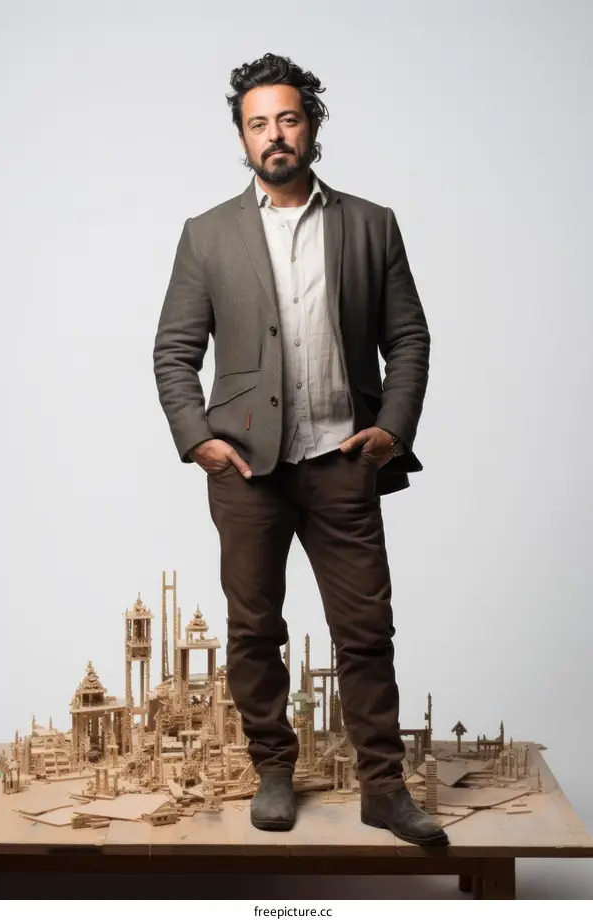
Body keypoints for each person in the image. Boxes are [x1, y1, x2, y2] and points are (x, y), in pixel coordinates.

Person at [153, 52, 448, 847]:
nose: (274, 136)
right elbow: (173, 352)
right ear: (242, 137)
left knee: (366, 631)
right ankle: (273, 769)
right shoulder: (207, 234)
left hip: (343, 460)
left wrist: (393, 427)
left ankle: (384, 789)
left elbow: (409, 336)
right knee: (253, 628)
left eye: (287, 118)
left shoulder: (370, 223)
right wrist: (198, 439)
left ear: (311, 124)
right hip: (245, 471)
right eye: (258, 124)